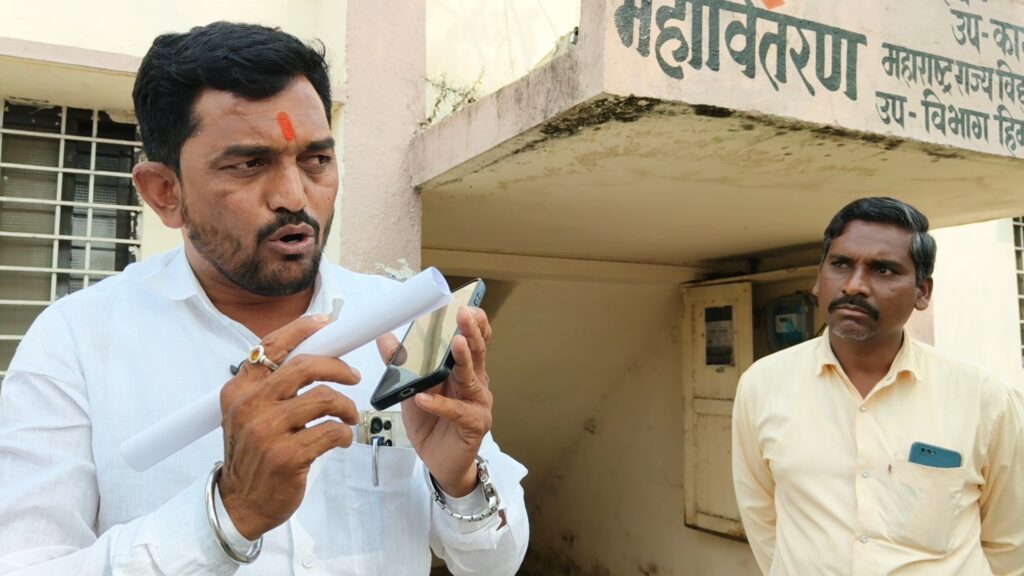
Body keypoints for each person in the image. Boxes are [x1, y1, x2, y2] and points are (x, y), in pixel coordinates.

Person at [0, 22, 528, 575]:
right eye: (249, 164)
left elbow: (496, 563)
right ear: (165, 193)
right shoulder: (77, 341)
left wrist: (460, 480)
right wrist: (229, 515)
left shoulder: (400, 323)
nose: (294, 197)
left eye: (316, 160)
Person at [732, 197, 1024, 575]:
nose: (854, 285)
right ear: (819, 279)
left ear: (922, 292)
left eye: (883, 270)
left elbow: (1010, 543)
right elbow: (761, 517)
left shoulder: (984, 398)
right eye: (840, 264)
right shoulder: (763, 385)